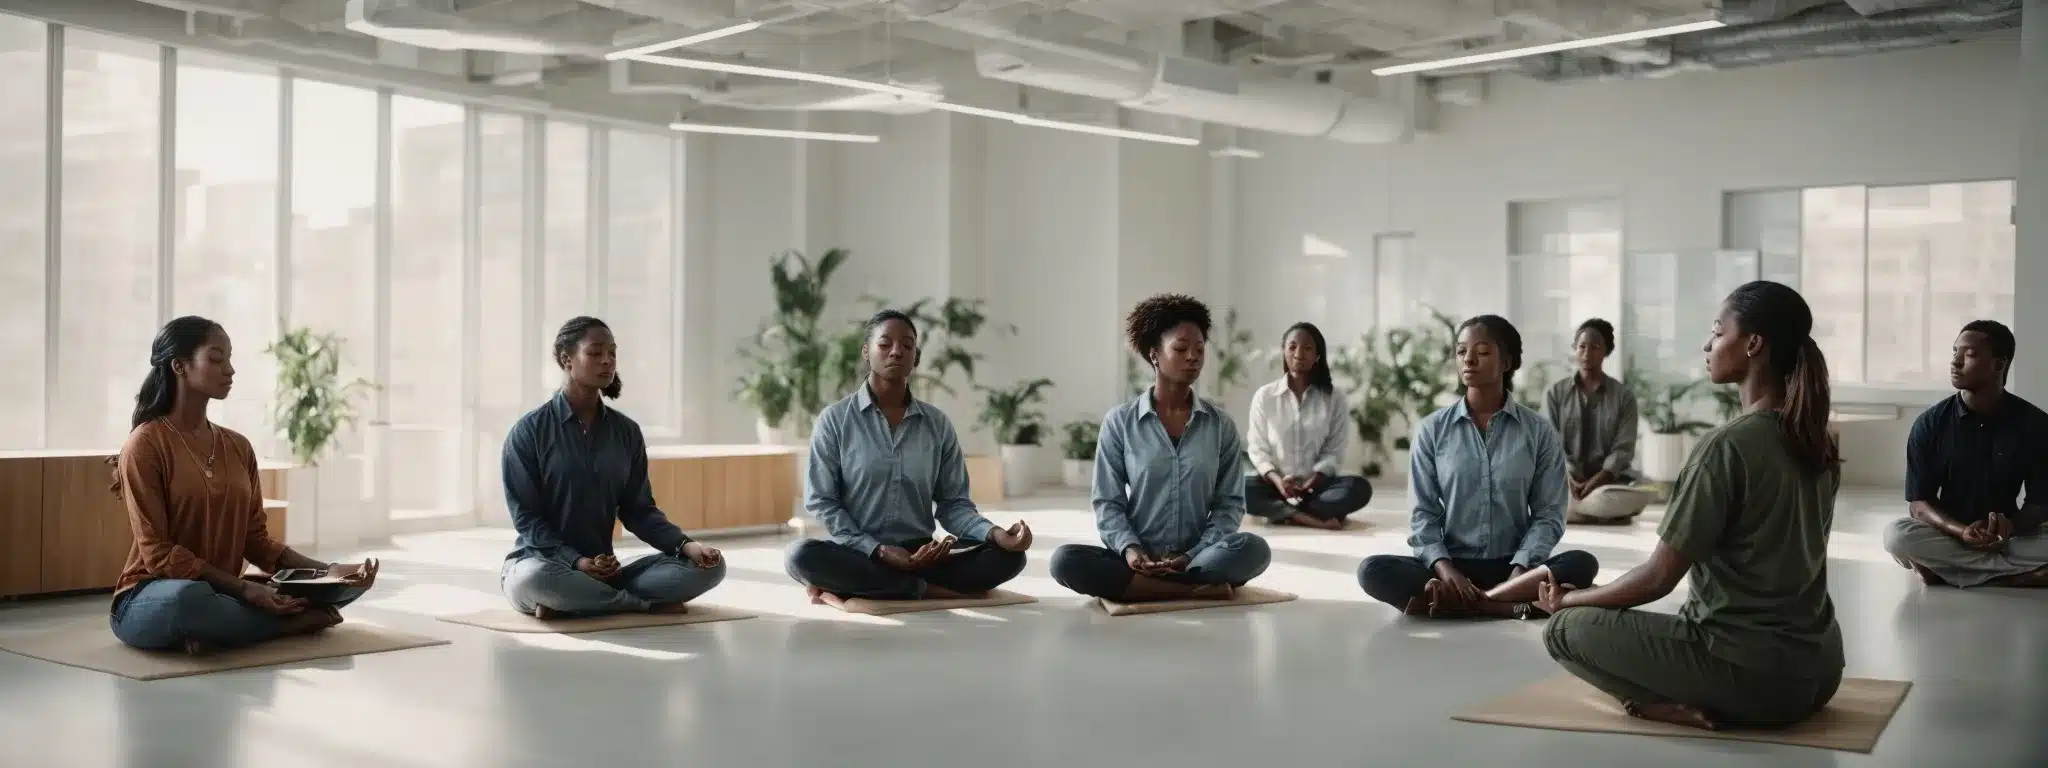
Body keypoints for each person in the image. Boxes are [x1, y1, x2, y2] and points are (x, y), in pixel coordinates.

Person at [1537, 281, 1844, 731]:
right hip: (1821, 671)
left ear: (1754, 344)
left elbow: (1659, 578)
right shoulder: (1817, 442)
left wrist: (1569, 600)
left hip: (1756, 680)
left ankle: (1649, 703)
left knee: (1563, 631)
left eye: (1718, 332)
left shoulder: (1726, 447)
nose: (1708, 343)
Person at [109, 316, 379, 654]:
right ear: (179, 366)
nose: (231, 370)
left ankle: (223, 628)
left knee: (339, 588)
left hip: (226, 592)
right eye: (217, 359)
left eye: (230, 358)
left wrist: (329, 572)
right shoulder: (145, 445)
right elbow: (158, 555)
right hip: (153, 595)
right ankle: (286, 623)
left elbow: (256, 542)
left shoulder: (238, 446)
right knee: (187, 599)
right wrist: (244, 590)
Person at [1355, 315, 1598, 619]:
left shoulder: (1538, 431)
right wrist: (1446, 572)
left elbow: (1549, 515)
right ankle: (1508, 606)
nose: (1468, 360)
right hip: (1453, 565)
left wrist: (1520, 572)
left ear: (1506, 361)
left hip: (1516, 566)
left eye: (1482, 352)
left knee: (1582, 563)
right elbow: (1423, 514)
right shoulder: (1432, 429)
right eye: (1461, 352)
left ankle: (1469, 603)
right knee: (1372, 570)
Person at [785, 310, 1032, 606]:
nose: (896, 352)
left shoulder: (937, 424)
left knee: (1010, 558)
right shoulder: (835, 420)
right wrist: (879, 550)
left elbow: (954, 505)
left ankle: (900, 586)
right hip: (860, 554)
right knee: (800, 557)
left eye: (907, 345)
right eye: (884, 344)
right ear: (867, 352)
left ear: (916, 357)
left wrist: (995, 534)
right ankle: (919, 589)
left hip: (922, 556)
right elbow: (822, 502)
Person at [1050, 294, 1272, 602]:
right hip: (1137, 559)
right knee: (1065, 560)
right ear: (1155, 354)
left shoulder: (1220, 425)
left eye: (1199, 349)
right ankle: (1193, 590)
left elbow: (1228, 506)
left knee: (1254, 549)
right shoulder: (1120, 423)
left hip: (1199, 558)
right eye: (1181, 349)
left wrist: (1193, 554)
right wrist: (1131, 550)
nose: (1193, 357)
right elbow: (1108, 503)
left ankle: (1150, 588)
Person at [500, 317, 726, 619]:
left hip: (605, 571)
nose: (607, 361)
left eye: (612, 353)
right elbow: (527, 521)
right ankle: (639, 604)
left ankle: (579, 601)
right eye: (595, 353)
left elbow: (639, 511)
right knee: (533, 580)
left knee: (711, 568)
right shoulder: (529, 432)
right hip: (544, 564)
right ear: (567, 359)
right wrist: (576, 562)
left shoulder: (626, 432)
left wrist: (687, 546)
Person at [1882, 320, 2048, 588]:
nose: (1955, 362)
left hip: (2010, 539)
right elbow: (1919, 503)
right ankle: (2015, 578)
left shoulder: (2036, 424)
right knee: (1897, 536)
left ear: (1998, 365)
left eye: (1968, 355)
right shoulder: (1930, 423)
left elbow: (2040, 504)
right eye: (1954, 352)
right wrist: (1962, 531)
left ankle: (1946, 571)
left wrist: (2010, 528)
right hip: (1948, 534)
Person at [1244, 322, 1373, 530]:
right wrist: (1278, 481)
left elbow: (1335, 449)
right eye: (1292, 346)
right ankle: (1306, 517)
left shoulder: (1334, 398)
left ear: (1318, 355)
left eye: (1307, 348)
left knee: (1359, 488)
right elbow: (1257, 449)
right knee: (1240, 488)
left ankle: (1282, 512)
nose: (1298, 353)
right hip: (1274, 485)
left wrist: (1314, 479)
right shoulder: (1264, 396)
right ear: (1284, 351)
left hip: (1317, 488)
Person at [1545, 318, 1650, 525]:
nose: (1586, 353)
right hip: (1565, 481)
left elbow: (1623, 449)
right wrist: (1569, 476)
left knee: (1620, 496)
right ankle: (1593, 512)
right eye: (1582, 346)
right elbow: (1550, 444)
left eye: (1595, 347)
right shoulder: (1555, 393)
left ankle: (1575, 511)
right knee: (1540, 490)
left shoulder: (1623, 397)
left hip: (1608, 483)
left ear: (1606, 351)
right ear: (1574, 349)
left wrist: (1598, 480)